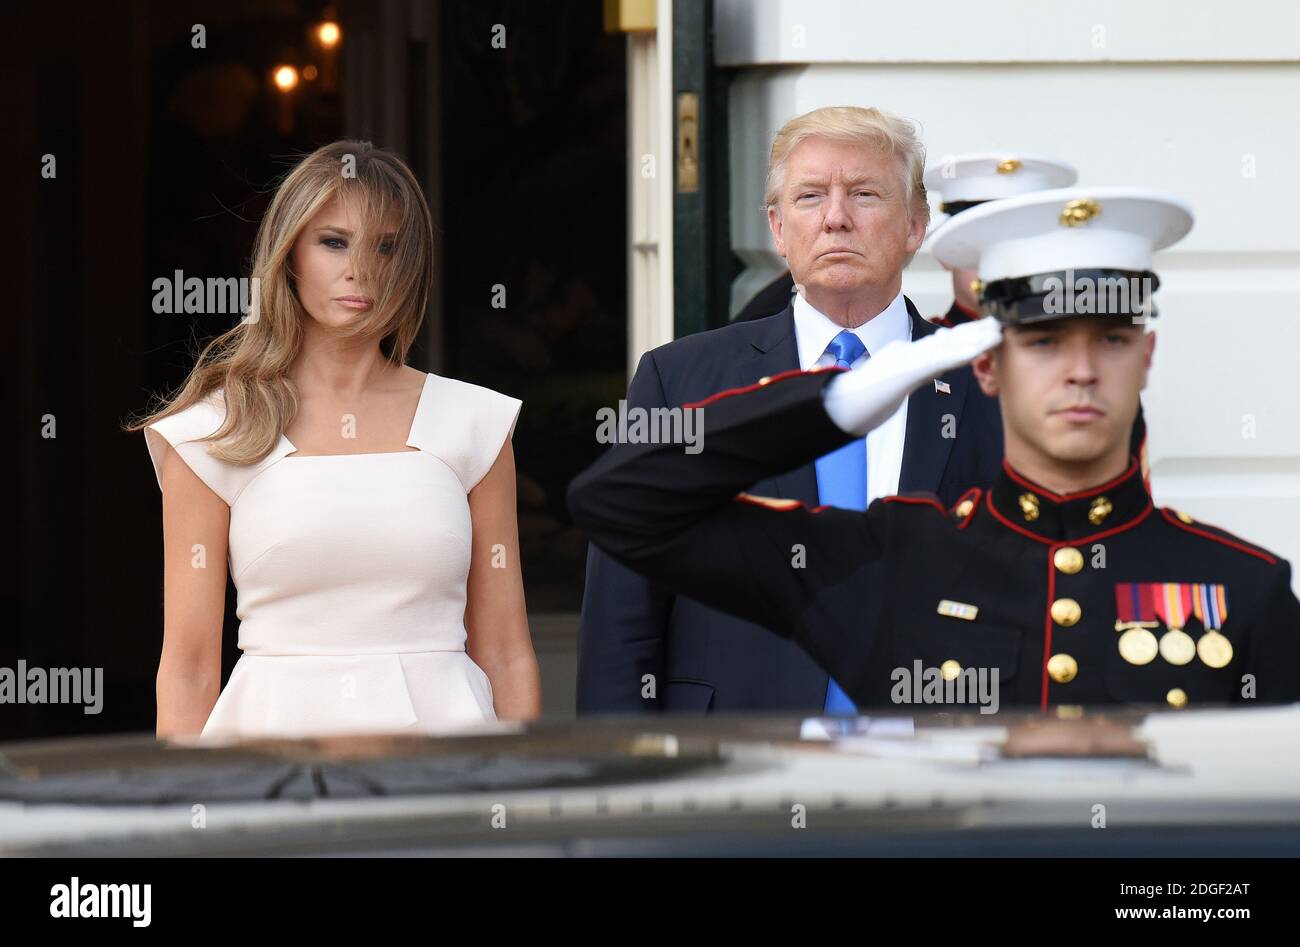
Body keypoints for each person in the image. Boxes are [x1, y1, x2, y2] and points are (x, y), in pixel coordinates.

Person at [569, 186, 1300, 710]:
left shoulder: (1245, 585)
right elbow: (620, 505)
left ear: (1146, 356)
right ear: (985, 364)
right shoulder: (894, 563)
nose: (1080, 370)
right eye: (1042, 342)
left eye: (1110, 340)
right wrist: (847, 393)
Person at [576, 106, 1005, 715]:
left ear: (915, 226)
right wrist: (621, 783)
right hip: (739, 765)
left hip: (937, 766)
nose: (836, 218)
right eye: (810, 197)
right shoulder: (680, 381)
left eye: (864, 194)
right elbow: (624, 615)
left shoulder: (983, 382)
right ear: (778, 230)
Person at [128, 141, 540, 743]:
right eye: (334, 241)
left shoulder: (473, 422)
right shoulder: (213, 431)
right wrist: (179, 822)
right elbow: (188, 667)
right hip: (272, 769)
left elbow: (506, 652)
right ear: (288, 251)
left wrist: (527, 802)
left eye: (387, 246)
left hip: (451, 773)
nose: (362, 270)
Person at [922, 153, 1077, 327]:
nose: (1004, 262)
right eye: (983, 243)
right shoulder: (918, 351)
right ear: (945, 254)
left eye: (1023, 243)